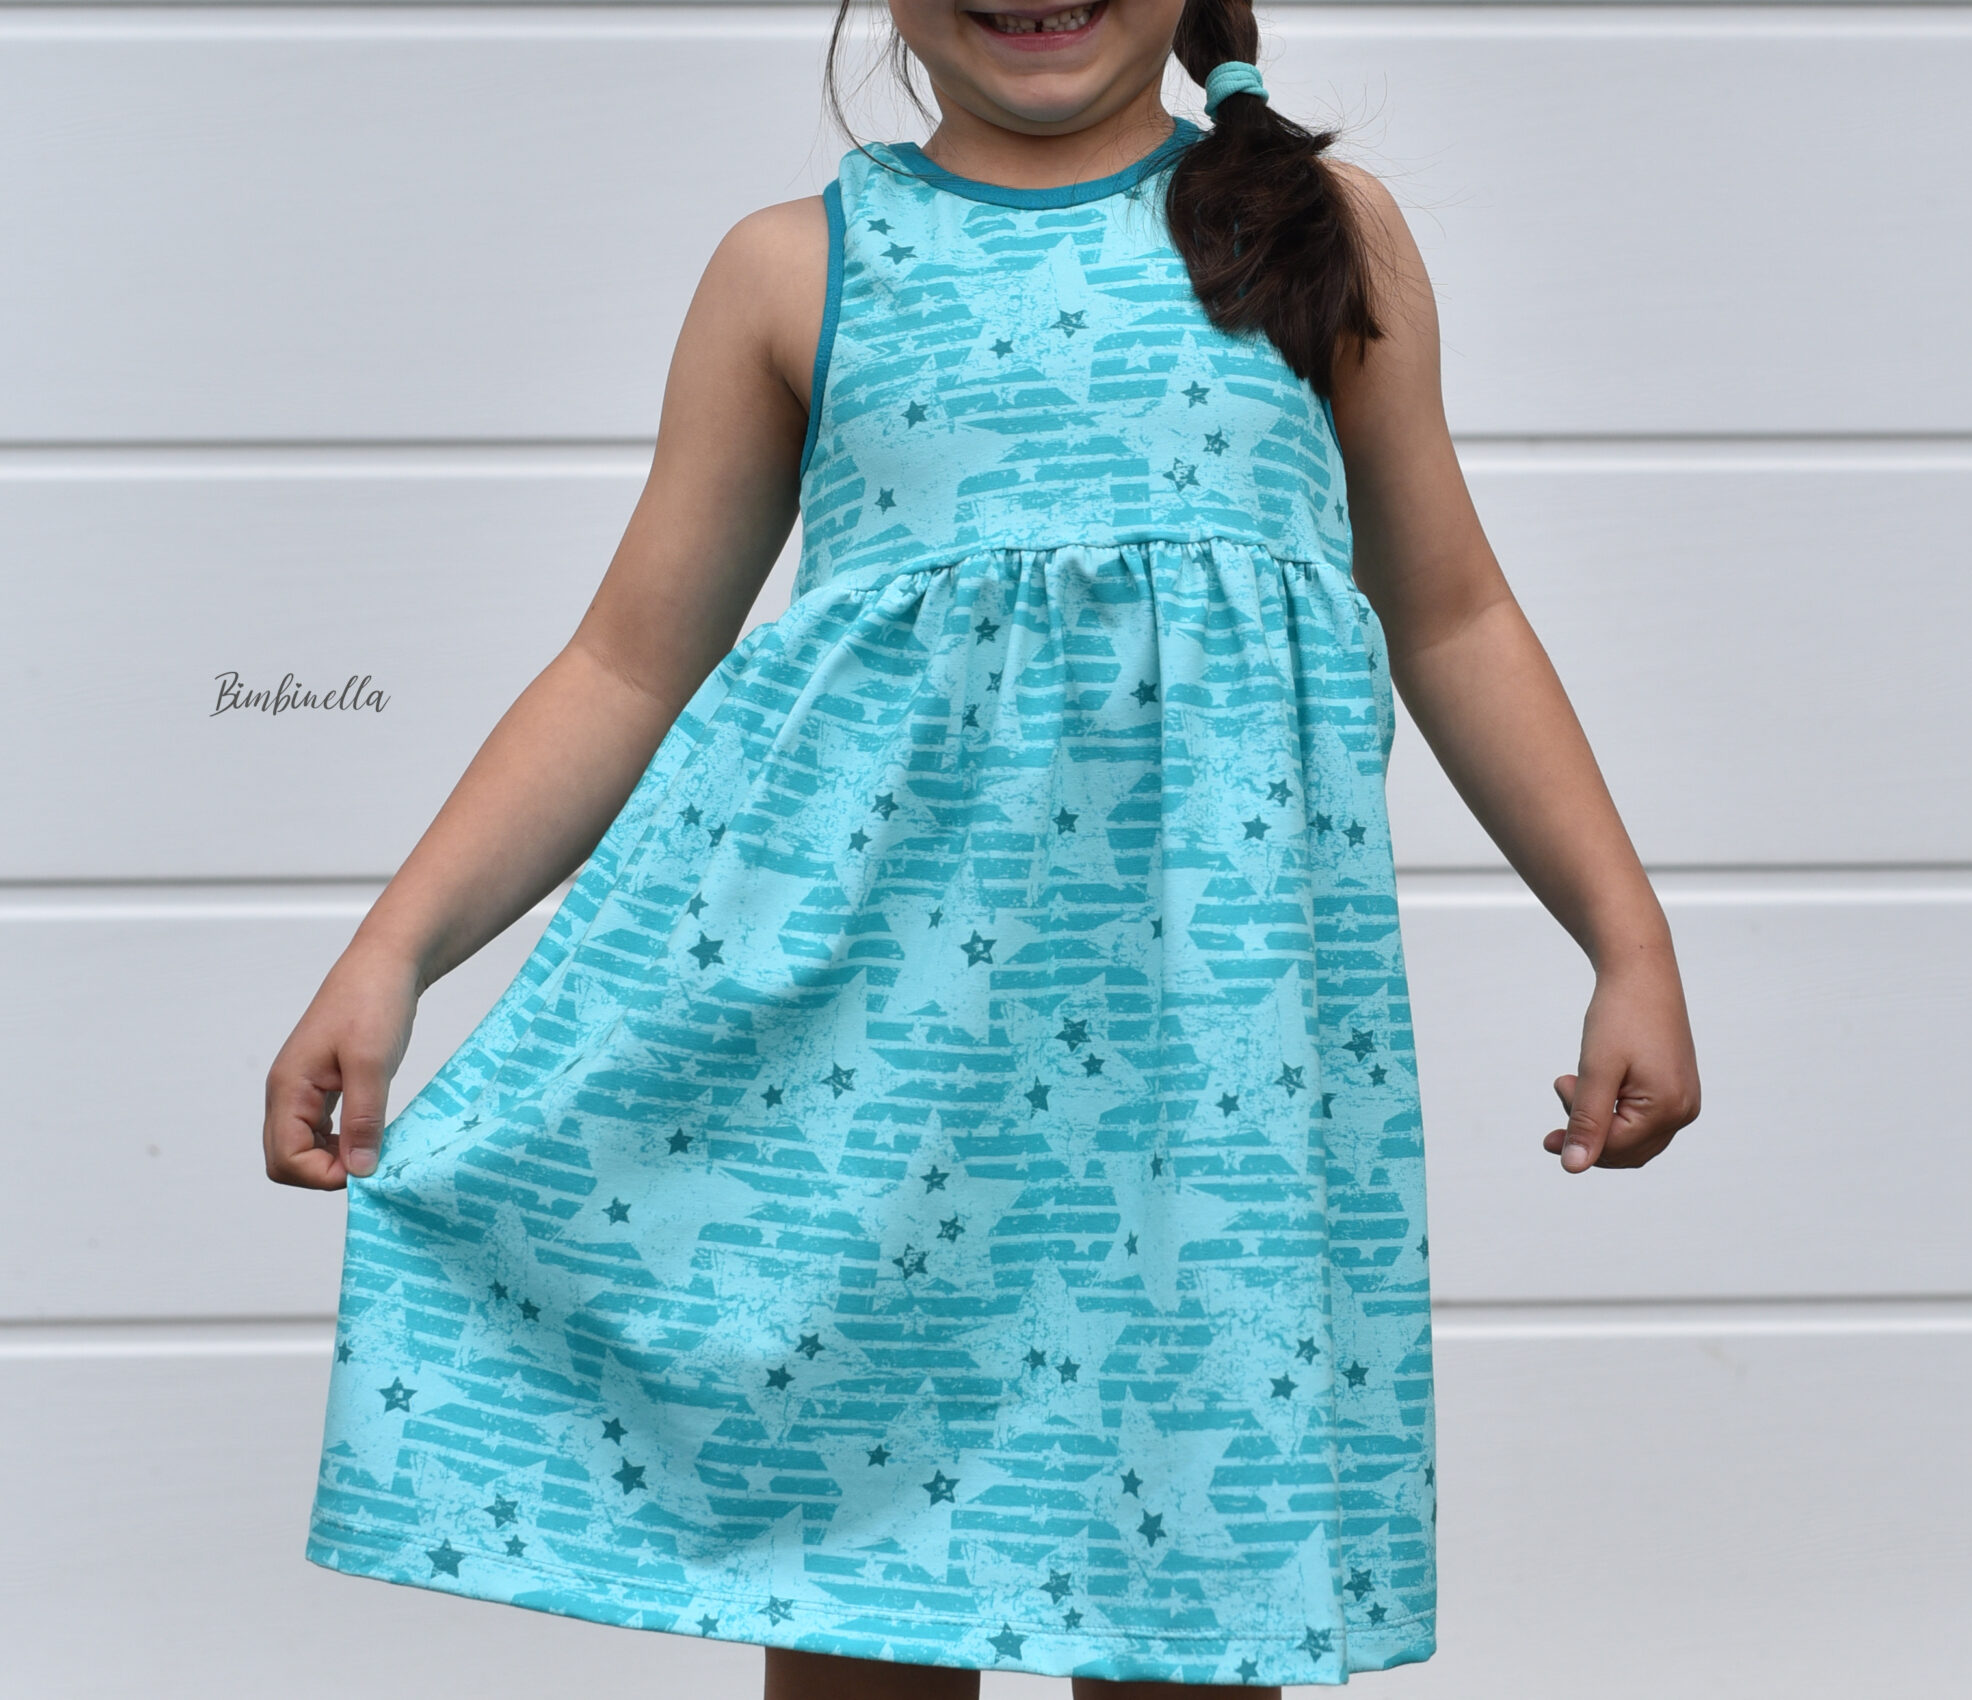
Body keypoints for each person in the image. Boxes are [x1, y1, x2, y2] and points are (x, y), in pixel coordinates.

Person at [263, 0, 1700, 1691]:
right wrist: (394, 950)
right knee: (859, 1596)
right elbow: (624, 665)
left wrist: (1626, 937)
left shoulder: (1315, 235)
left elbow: (1454, 615)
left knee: (1190, 1617)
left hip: (1205, 1102)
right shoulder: (795, 271)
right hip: (870, 1096)